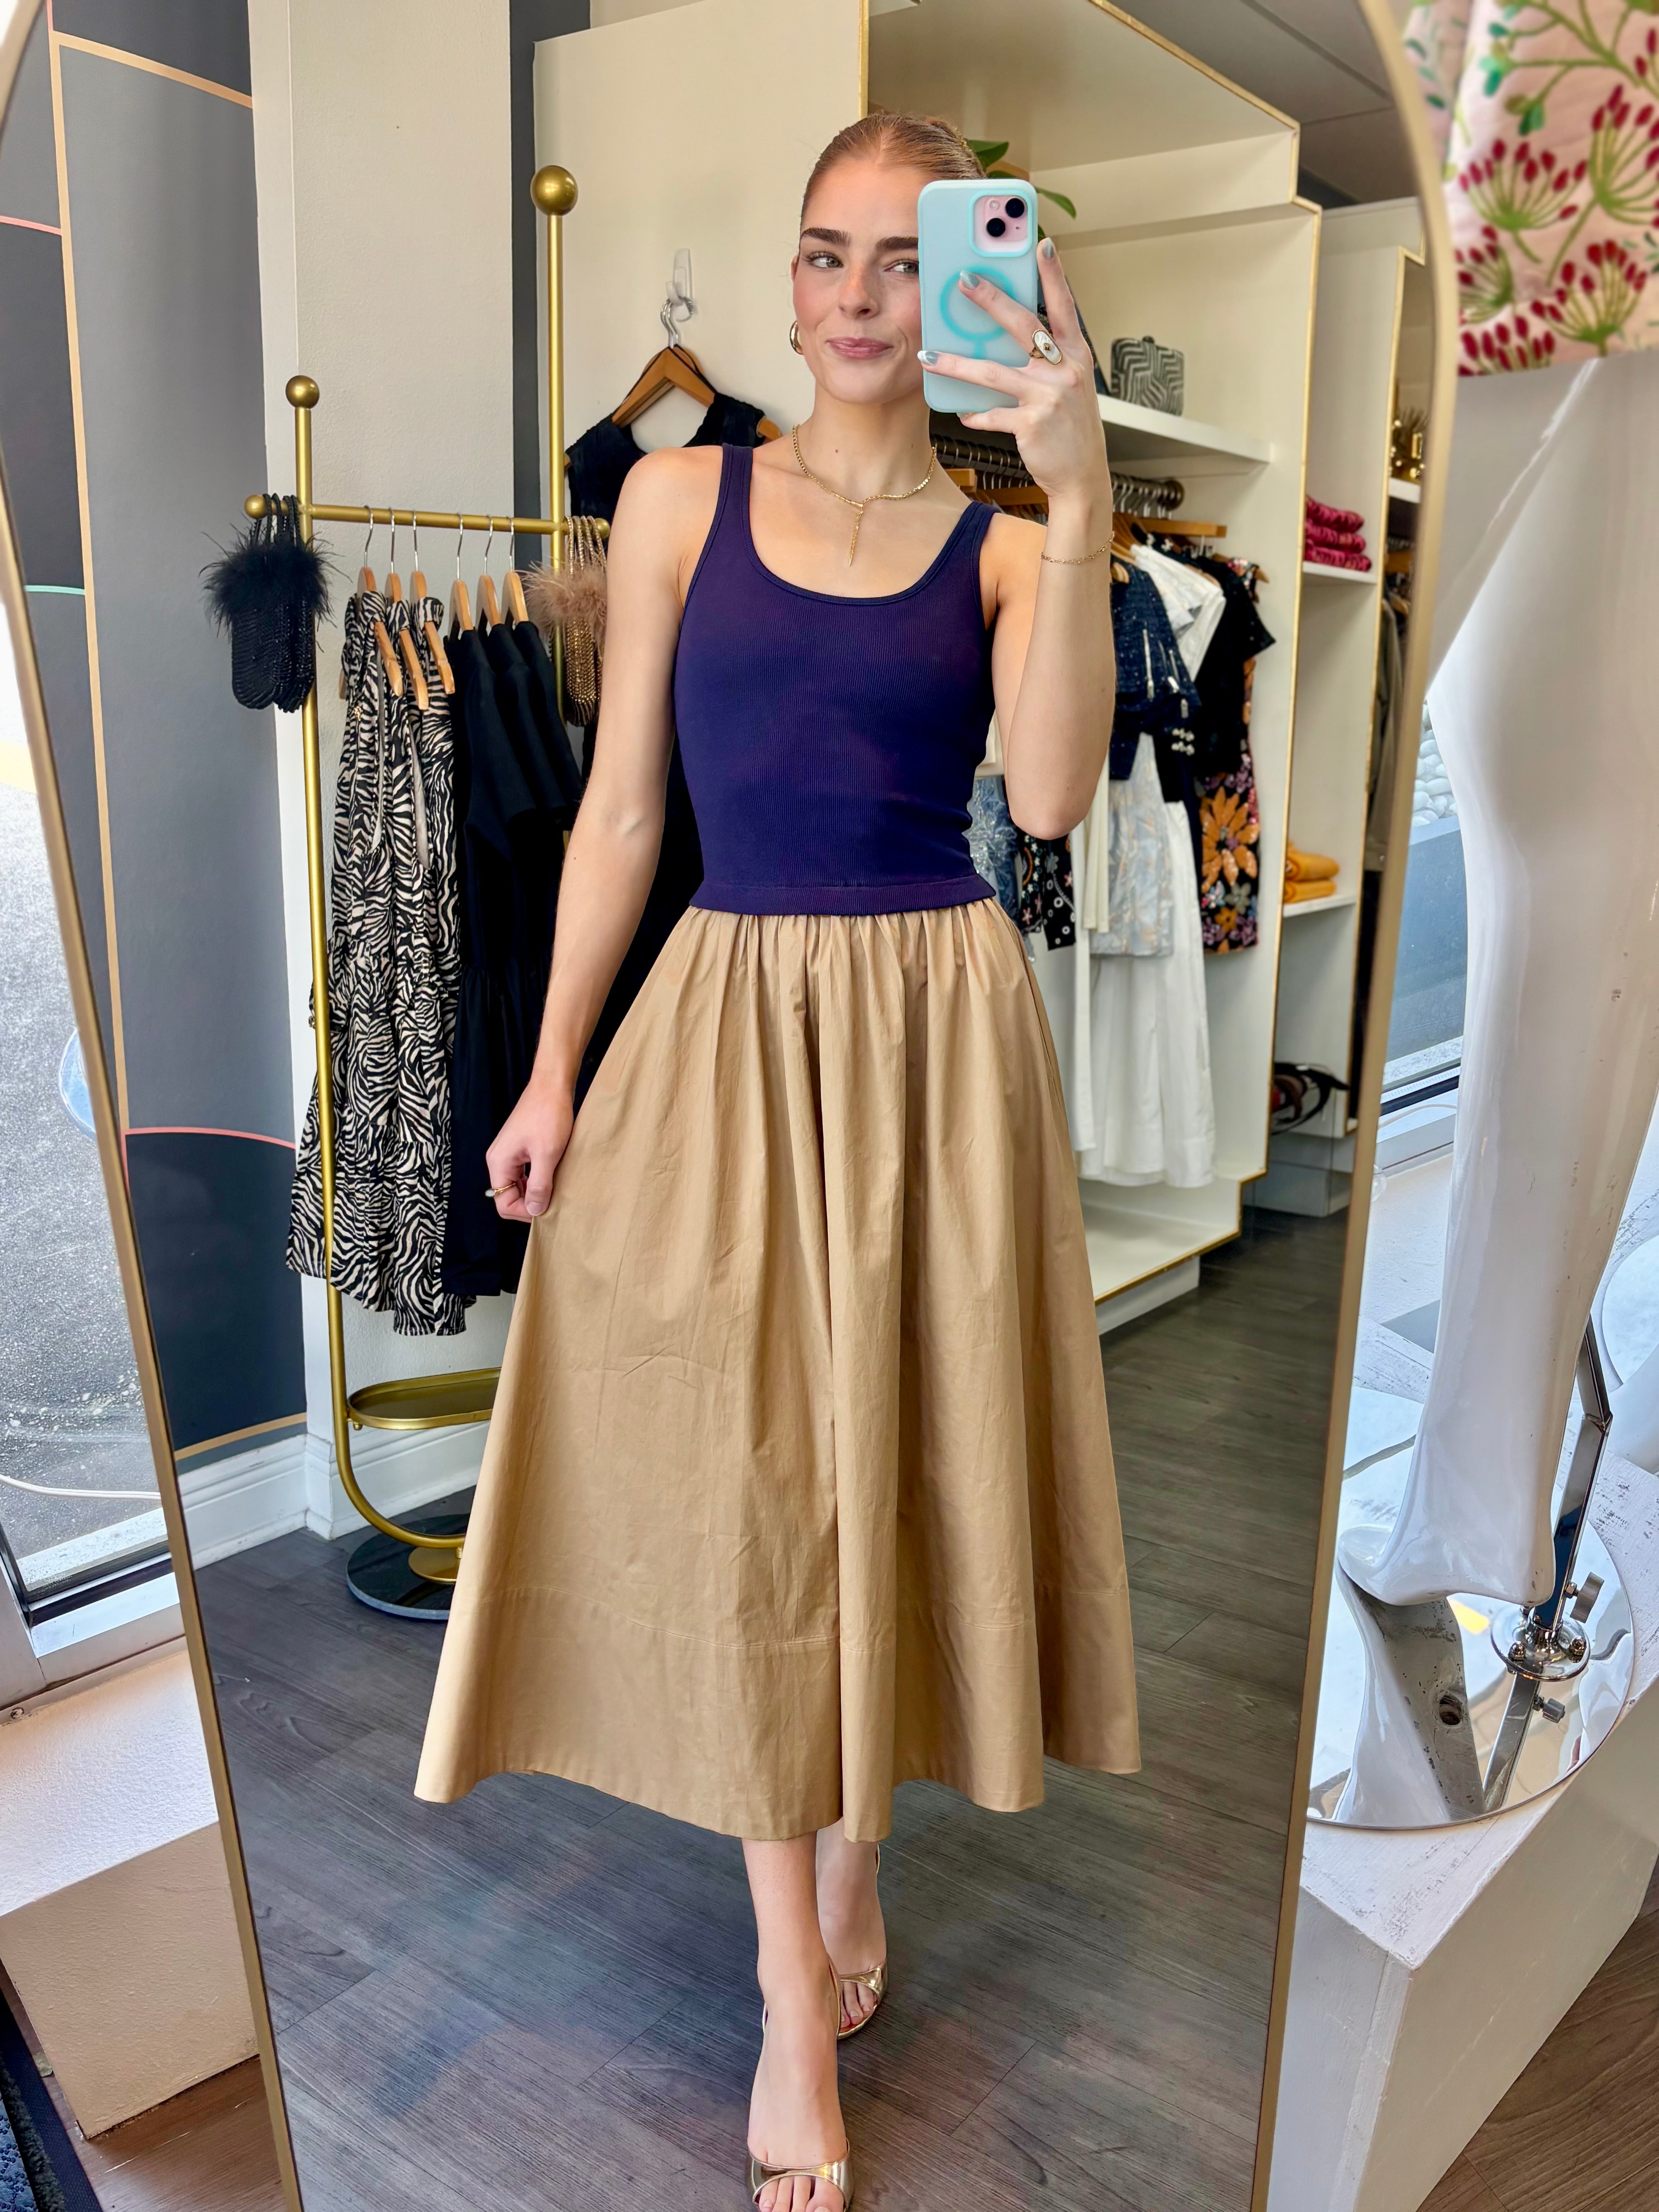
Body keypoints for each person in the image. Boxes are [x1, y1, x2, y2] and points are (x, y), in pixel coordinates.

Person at [416, 113, 1139, 2212]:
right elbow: (626, 813)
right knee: (755, 1502)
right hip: (728, 1024)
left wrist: (1081, 482)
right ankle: (779, 1989)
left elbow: (1054, 798)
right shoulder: (675, 501)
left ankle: (853, 1864)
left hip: (935, 1038)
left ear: (968, 288)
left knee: (887, 1459)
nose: (855, 295)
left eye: (903, 259)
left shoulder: (1004, 545)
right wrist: (551, 1071)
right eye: (826, 253)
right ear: (792, 277)